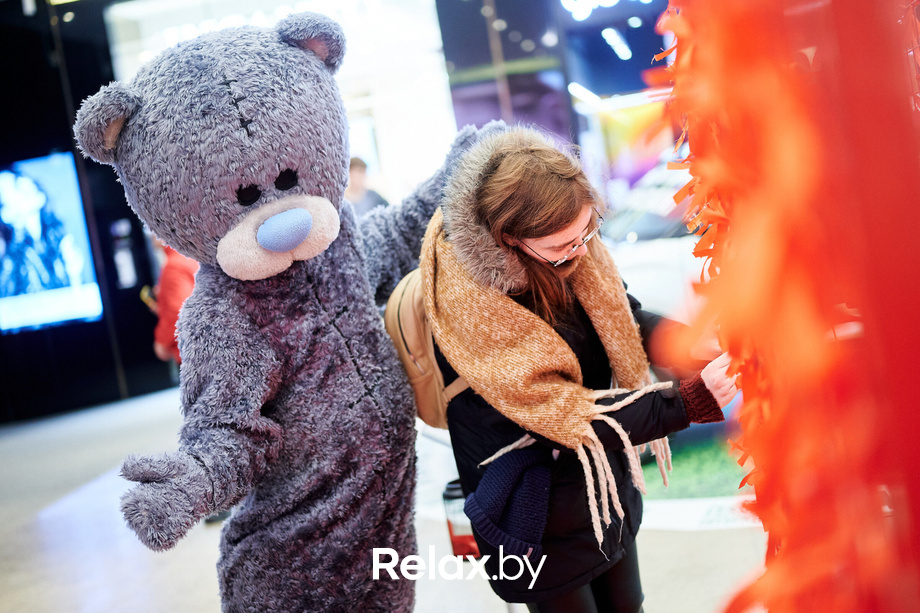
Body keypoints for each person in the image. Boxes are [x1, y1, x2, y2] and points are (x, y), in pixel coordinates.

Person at [419, 126, 738, 612]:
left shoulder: (571, 245)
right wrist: (689, 400)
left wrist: (691, 344)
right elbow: (561, 418)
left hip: (601, 488)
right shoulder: (473, 305)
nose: (583, 251)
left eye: (589, 231)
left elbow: (621, 318)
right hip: (535, 512)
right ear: (510, 241)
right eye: (564, 244)